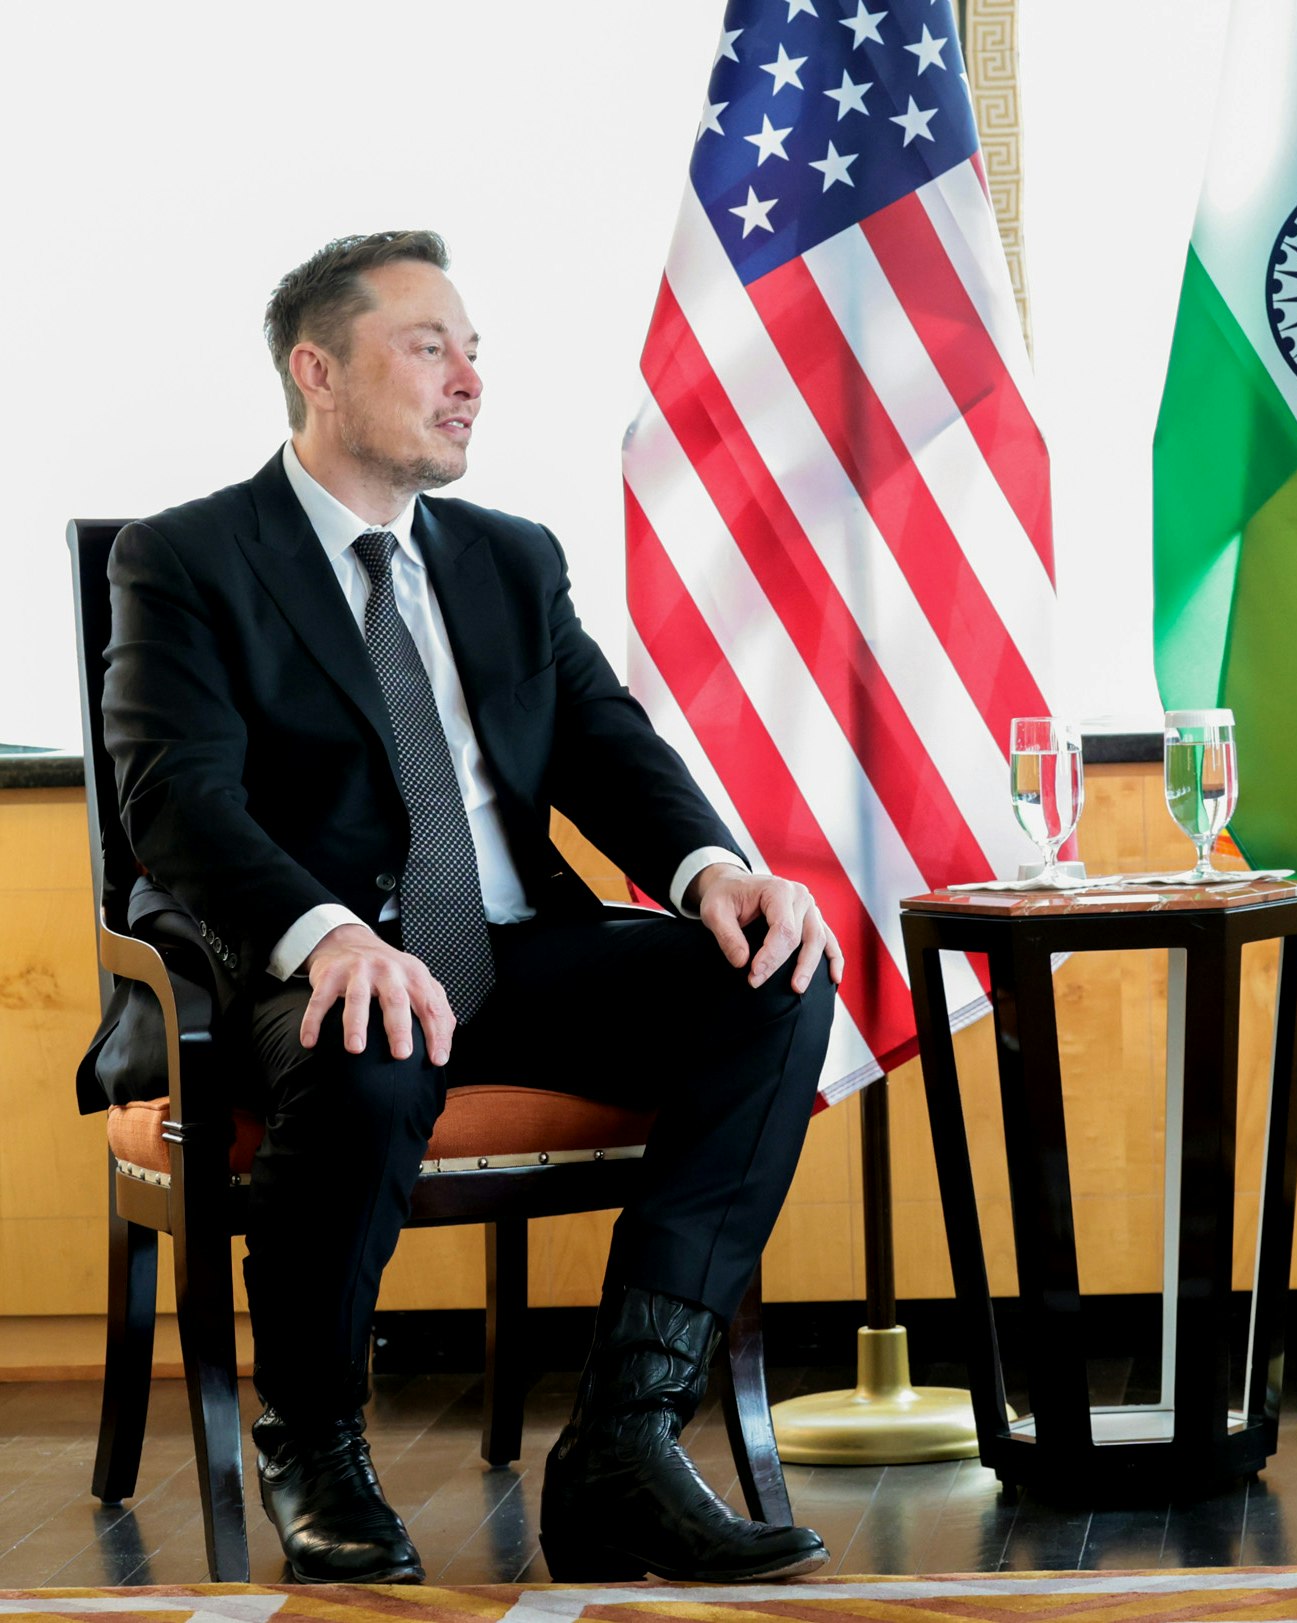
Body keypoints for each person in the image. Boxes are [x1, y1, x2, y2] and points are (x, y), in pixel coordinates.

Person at [92, 230, 841, 1585]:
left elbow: (606, 743)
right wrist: (332, 934)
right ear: (317, 370)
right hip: (309, 964)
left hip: (517, 951)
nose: (470, 380)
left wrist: (710, 869)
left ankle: (623, 1438)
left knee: (774, 973)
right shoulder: (188, 557)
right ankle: (316, 1444)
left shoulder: (508, 557)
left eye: (474, 350)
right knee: (370, 1042)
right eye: (428, 346)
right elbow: (177, 801)